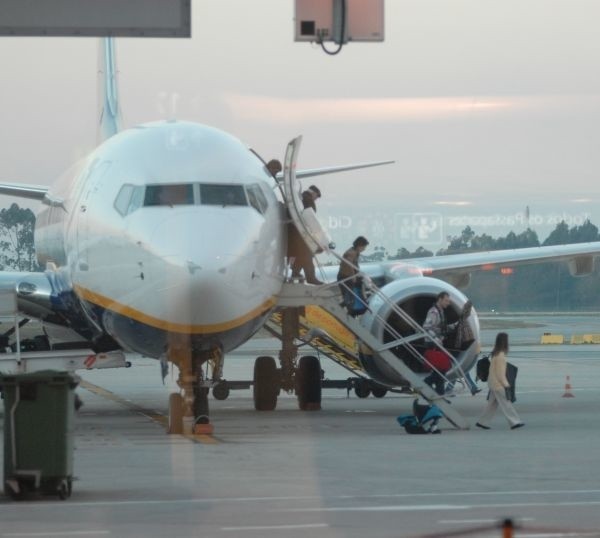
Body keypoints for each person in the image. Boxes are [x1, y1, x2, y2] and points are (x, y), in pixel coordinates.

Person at [476, 332, 524, 430]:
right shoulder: (501, 356)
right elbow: (500, 374)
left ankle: (482, 422)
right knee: (506, 404)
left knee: (492, 405)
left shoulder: (495, 354)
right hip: (498, 384)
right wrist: (506, 385)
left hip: (492, 383)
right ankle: (515, 422)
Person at [444, 300, 481, 395]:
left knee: (460, 370)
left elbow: (460, 336)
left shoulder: (462, 322)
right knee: (461, 370)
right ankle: (471, 387)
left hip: (457, 349)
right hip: (459, 349)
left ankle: (450, 388)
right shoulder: (464, 322)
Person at [289, 185, 323, 284]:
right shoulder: (308, 200)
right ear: (313, 193)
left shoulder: (300, 198)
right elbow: (311, 219)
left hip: (295, 233)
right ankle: (311, 278)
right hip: (303, 234)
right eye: (316, 197)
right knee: (307, 254)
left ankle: (295, 273)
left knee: (300, 255)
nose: (315, 200)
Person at [337, 236, 369, 315]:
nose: (364, 249)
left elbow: (355, 265)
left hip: (349, 277)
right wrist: (353, 277)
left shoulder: (355, 252)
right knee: (349, 297)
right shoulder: (351, 253)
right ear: (359, 245)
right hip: (345, 277)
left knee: (351, 295)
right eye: (364, 247)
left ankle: (354, 307)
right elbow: (349, 265)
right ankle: (350, 313)